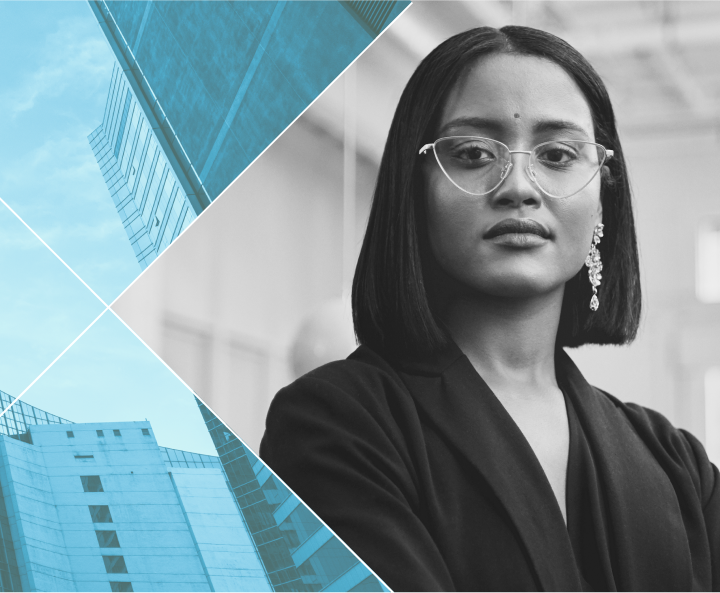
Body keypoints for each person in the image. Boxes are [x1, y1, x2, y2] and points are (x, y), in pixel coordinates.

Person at [260, 26, 720, 593]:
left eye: (557, 154)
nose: (520, 187)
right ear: (415, 186)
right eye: (475, 153)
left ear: (604, 195)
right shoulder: (332, 426)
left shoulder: (677, 463)